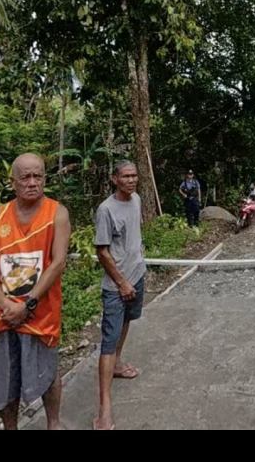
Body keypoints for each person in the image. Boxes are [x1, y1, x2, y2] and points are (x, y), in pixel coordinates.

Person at [0, 154, 70, 430]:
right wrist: (6, 304)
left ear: (44, 178)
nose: (32, 183)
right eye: (26, 177)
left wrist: (28, 304)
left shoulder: (57, 213)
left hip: (40, 313)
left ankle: (53, 423)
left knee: (48, 371)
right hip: (5, 314)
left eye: (38, 176)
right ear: (13, 182)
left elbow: (58, 263)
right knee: (6, 378)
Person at [93, 161, 146, 430]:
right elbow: (102, 252)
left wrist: (138, 263)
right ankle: (104, 408)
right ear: (115, 179)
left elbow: (133, 236)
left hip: (137, 275)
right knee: (108, 341)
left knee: (126, 321)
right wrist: (122, 282)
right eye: (125, 176)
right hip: (117, 286)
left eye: (134, 175)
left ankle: (117, 363)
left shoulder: (136, 199)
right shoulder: (106, 210)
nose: (131, 180)